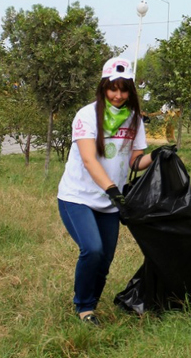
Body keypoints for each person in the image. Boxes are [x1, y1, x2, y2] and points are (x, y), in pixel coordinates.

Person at [57, 57, 156, 325]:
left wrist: (158, 157)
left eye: (124, 90)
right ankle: (84, 308)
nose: (118, 95)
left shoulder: (134, 118)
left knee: (105, 259)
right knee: (93, 249)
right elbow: (89, 160)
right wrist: (114, 191)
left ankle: (91, 302)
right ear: (103, 87)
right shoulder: (87, 116)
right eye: (113, 88)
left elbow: (135, 161)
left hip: (111, 202)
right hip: (77, 197)